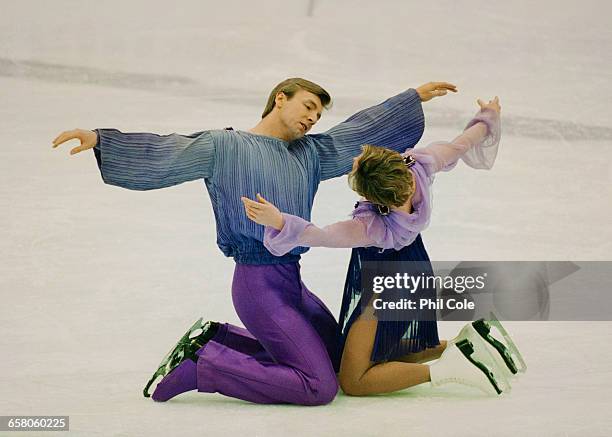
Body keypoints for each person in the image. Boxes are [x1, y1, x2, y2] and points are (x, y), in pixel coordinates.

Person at [52, 78, 457, 405]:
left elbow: (352, 136)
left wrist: (410, 100)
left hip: (292, 283)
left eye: (318, 114)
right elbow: (170, 151)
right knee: (320, 387)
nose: (313, 118)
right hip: (257, 286)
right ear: (280, 99)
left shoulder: (309, 154)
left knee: (336, 359)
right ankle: (205, 364)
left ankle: (219, 338)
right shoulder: (224, 146)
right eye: (308, 107)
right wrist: (100, 140)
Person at [243, 97, 526, 396]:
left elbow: (321, 235)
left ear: (376, 198)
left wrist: (278, 221)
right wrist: (488, 117)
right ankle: (468, 344)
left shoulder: (372, 227)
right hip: (414, 271)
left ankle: (448, 371)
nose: (355, 161)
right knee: (383, 354)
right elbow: (462, 143)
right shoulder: (420, 166)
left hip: (387, 286)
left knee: (353, 380)